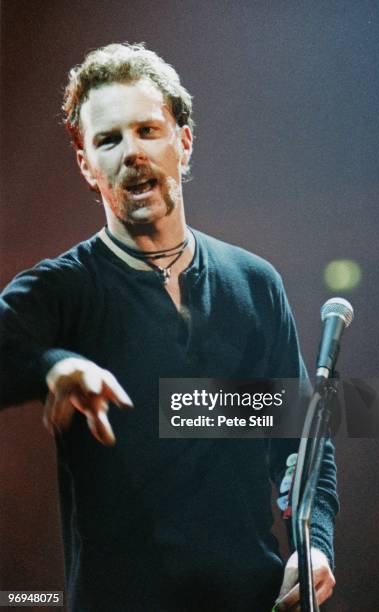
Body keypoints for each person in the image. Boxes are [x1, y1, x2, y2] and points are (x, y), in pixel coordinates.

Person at [0, 43, 338, 611]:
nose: (132, 152)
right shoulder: (62, 289)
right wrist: (53, 366)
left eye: (148, 130)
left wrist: (316, 542)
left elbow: (301, 438)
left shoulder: (254, 283)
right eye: (108, 140)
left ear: (183, 143)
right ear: (86, 165)